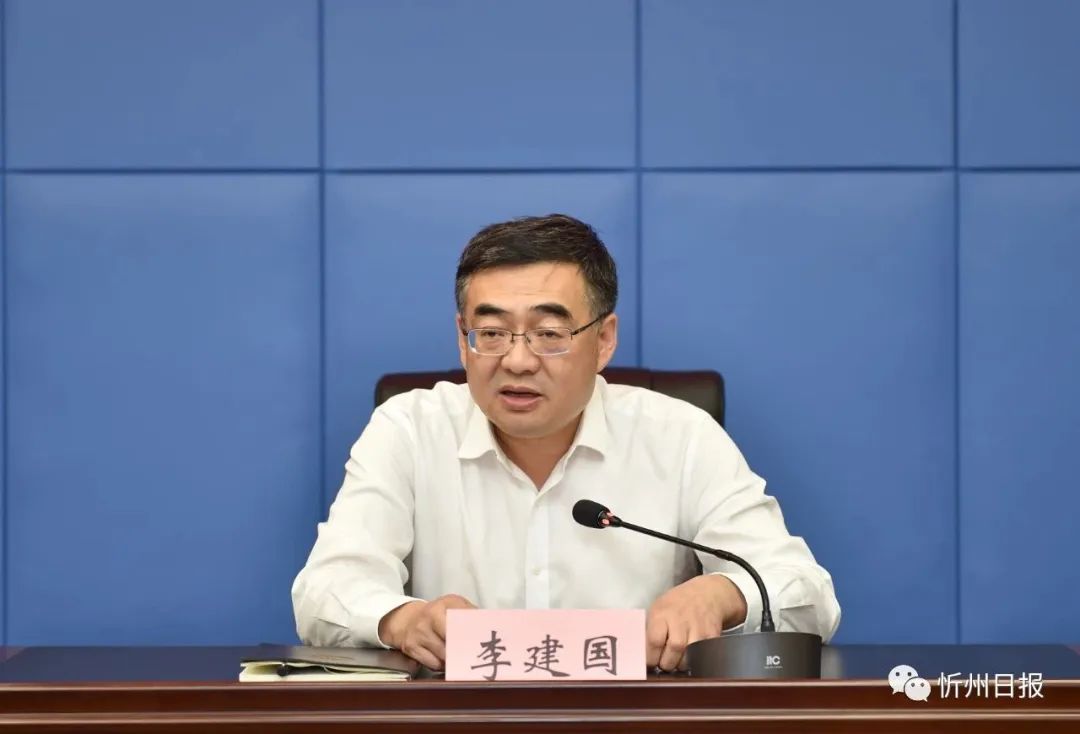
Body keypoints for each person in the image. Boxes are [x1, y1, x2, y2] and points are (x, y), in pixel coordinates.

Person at [292, 213, 840, 672]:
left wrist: (723, 595)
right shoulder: (409, 429)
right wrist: (402, 619)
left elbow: (807, 593)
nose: (517, 360)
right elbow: (326, 589)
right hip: (458, 723)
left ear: (604, 340)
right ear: (463, 339)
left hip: (635, 727)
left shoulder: (681, 436)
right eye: (492, 333)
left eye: (549, 335)